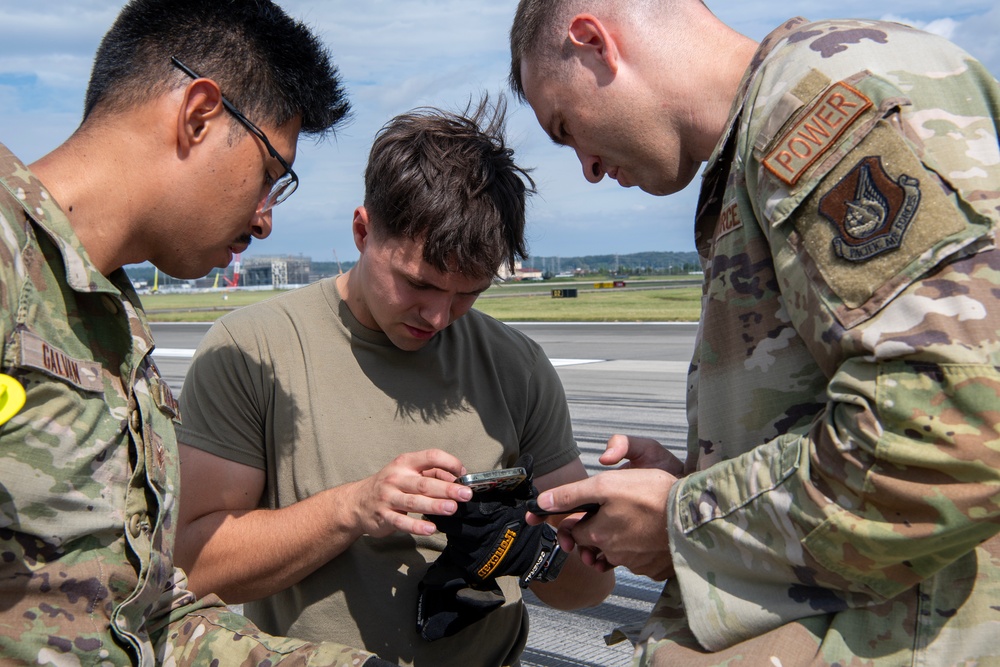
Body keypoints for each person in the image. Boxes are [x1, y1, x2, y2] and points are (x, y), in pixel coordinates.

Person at [509, 1, 1000, 665]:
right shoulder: (757, 149)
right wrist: (706, 476)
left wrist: (683, 521)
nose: (588, 168)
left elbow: (949, 426)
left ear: (595, 42)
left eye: (565, 127)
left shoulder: (819, 103)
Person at [0, 1, 396, 665]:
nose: (266, 219)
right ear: (199, 114)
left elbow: (144, 616)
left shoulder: (114, 330)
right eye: (272, 174)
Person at [173, 97, 615, 667]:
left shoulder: (517, 367)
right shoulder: (253, 351)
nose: (438, 316)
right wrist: (351, 509)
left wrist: (533, 554)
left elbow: (592, 589)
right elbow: (194, 565)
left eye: (467, 294)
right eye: (418, 284)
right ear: (362, 231)